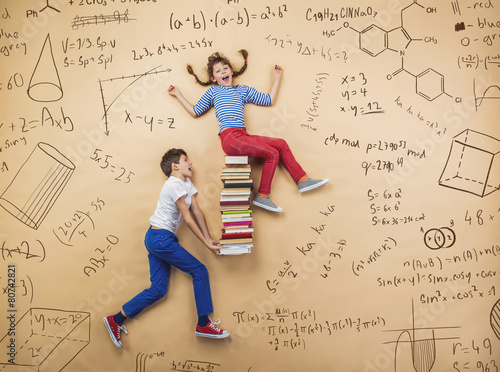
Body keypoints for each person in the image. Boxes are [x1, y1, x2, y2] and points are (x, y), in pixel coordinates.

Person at [168, 50, 328, 213]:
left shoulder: (242, 90)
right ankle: (263, 196)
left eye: (225, 68)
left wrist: (277, 78)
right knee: (272, 153)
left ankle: (302, 180)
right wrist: (178, 94)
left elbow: (268, 100)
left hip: (242, 136)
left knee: (280, 144)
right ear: (213, 78)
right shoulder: (213, 92)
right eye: (218, 71)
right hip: (230, 138)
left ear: (231, 71)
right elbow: (195, 111)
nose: (223, 71)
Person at [104, 148, 229, 348]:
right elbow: (187, 218)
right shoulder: (173, 184)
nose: (191, 163)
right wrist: (206, 244)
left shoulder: (186, 183)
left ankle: (116, 319)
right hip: (160, 238)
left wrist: (209, 237)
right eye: (185, 160)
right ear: (175, 166)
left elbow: (196, 210)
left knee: (158, 289)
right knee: (199, 271)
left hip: (157, 238)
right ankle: (203, 324)